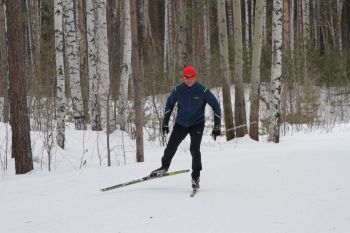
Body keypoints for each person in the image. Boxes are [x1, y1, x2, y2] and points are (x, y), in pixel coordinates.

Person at [150, 65, 221, 189]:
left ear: (195, 77)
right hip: (181, 124)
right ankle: (164, 167)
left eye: (191, 77)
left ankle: (196, 177)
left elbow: (216, 106)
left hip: (197, 124)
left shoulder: (203, 90)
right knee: (170, 147)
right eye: (186, 77)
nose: (189, 80)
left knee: (194, 150)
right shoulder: (178, 90)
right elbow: (169, 105)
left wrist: (217, 126)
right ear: (183, 78)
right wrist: (165, 123)